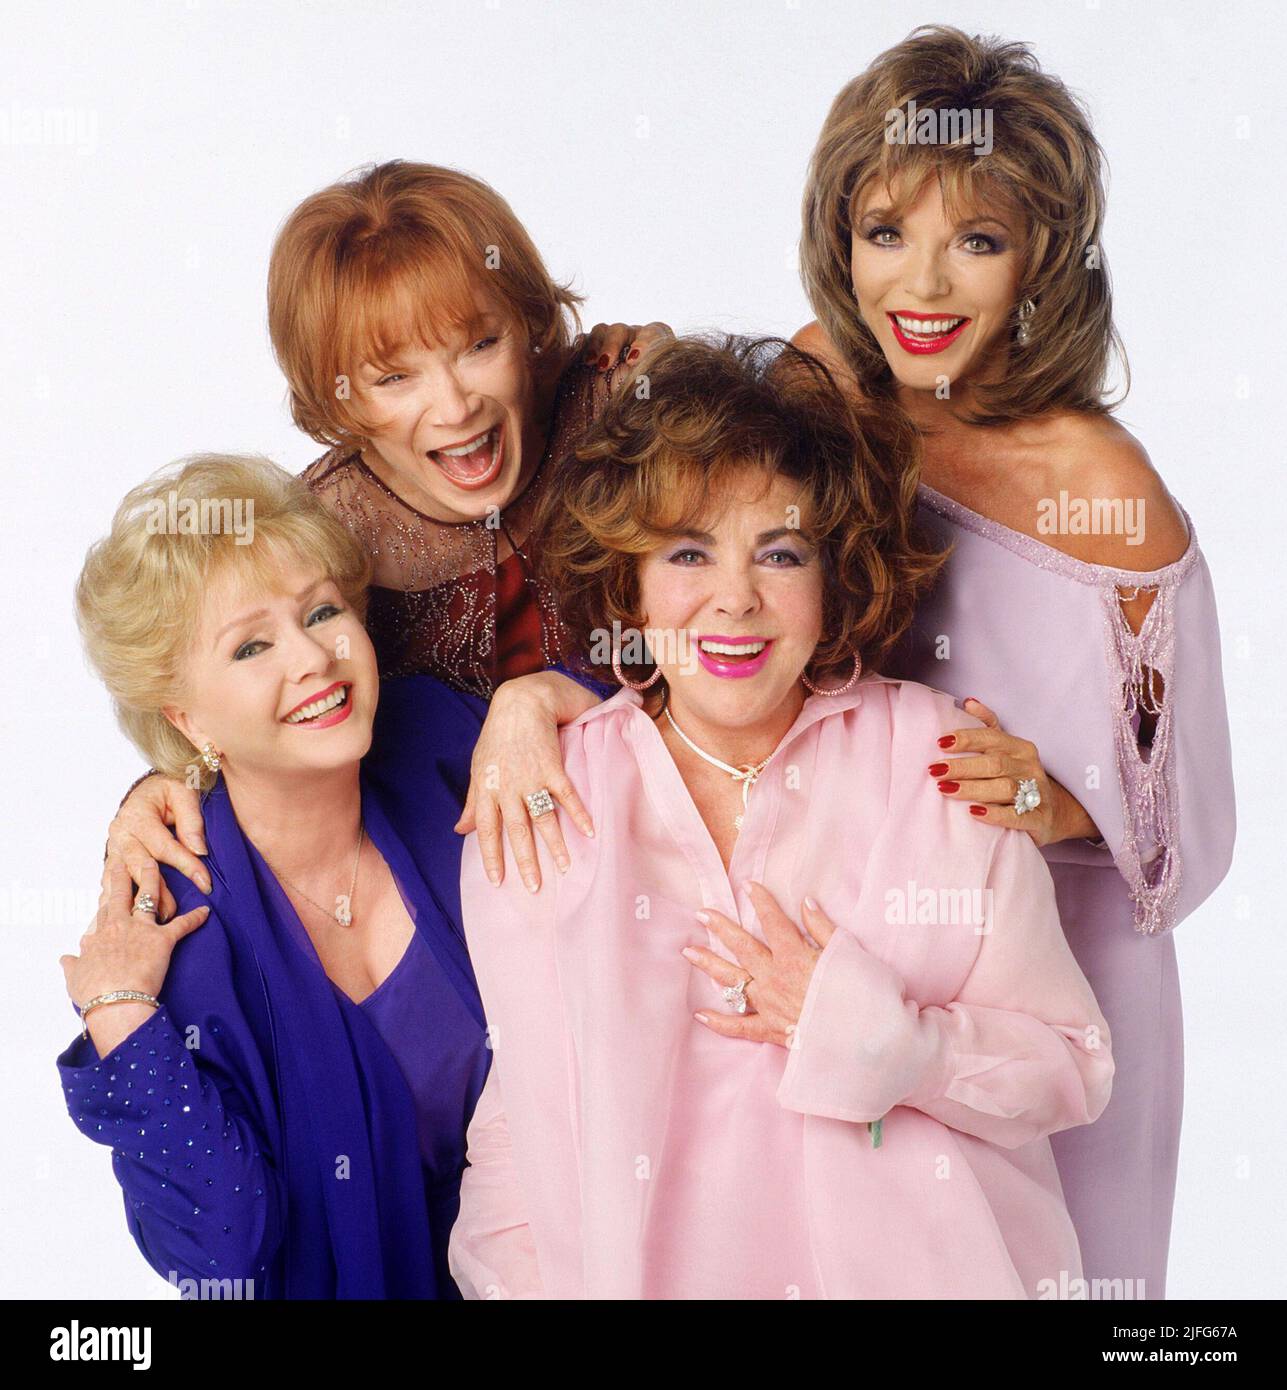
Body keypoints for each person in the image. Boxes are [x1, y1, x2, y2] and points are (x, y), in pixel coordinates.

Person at [447, 335, 1114, 1300]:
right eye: (687, 551)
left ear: (834, 574)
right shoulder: (550, 793)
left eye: (781, 551)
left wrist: (880, 1038)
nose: (735, 600)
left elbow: (1067, 1068)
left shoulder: (937, 762)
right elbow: (518, 1129)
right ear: (628, 580)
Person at [793, 25, 1235, 1296]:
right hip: (876, 975)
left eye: (976, 242)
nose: (919, 287)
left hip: (1075, 988)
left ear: (1040, 258)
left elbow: (1189, 832)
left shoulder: (1105, 494)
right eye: (887, 232)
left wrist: (1056, 800)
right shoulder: (819, 385)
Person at [101, 160, 669, 916]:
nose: (455, 404)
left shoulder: (622, 413)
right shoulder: (317, 535)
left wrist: (544, 697)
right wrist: (156, 791)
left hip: (684, 829)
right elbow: (240, 707)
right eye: (393, 378)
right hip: (476, 897)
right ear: (337, 398)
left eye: (479, 344)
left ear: (528, 329)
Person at [58, 455, 489, 1298]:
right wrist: (121, 1021)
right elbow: (223, 1247)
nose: (314, 658)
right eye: (252, 645)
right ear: (182, 714)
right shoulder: (173, 936)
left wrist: (532, 700)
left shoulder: (443, 741)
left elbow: (647, 723)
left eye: (322, 610)